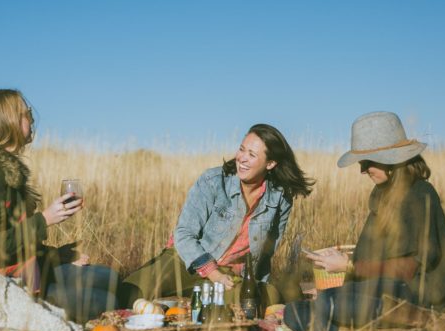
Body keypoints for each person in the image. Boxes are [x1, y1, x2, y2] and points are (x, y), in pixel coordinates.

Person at [284, 111, 445, 331]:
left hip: (415, 296)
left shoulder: (420, 194)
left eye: (367, 162)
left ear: (391, 160)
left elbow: (410, 268)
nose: (363, 170)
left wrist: (349, 267)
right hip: (380, 292)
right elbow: (368, 264)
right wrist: (340, 289)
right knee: (293, 312)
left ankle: (428, 320)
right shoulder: (381, 195)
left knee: (327, 303)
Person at [0, 89, 118, 323]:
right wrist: (44, 219)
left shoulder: (1, 170)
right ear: (8, 122)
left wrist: (57, 256)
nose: (32, 120)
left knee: (109, 278)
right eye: (26, 114)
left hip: (22, 275)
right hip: (2, 290)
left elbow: (12, 243)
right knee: (105, 301)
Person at [120, 123, 314, 307]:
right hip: (186, 261)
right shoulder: (212, 181)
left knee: (267, 297)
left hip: (228, 273)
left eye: (252, 154)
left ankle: (196, 299)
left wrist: (255, 285)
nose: (242, 158)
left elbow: (267, 251)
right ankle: (188, 293)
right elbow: (184, 233)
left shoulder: (280, 198)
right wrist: (212, 273)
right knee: (128, 293)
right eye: (241, 149)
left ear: (270, 163)